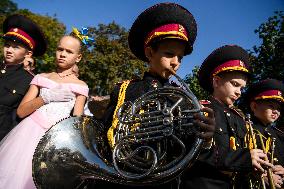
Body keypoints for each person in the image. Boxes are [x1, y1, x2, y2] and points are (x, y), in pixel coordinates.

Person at [91, 2, 215, 189]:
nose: (176, 63)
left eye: (180, 57)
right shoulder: (126, 90)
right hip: (123, 178)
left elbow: (189, 146)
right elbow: (106, 133)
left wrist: (205, 138)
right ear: (150, 52)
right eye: (169, 54)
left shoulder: (182, 100)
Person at [0, 29, 90, 189]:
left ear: (78, 57)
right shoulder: (41, 77)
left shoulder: (81, 86)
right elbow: (21, 111)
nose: (62, 54)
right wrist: (45, 98)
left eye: (69, 51)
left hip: (54, 140)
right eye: (60, 49)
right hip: (26, 134)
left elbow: (76, 123)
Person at [180, 45, 273, 189]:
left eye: (242, 88)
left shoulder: (240, 117)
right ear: (216, 81)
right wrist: (245, 159)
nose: (239, 92)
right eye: (235, 85)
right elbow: (197, 153)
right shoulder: (202, 109)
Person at [0, 14, 47, 140]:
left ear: (29, 53)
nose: (9, 50)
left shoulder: (31, 80)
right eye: (7, 45)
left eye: (16, 47)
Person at [238, 78, 284, 188]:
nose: (276, 111)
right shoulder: (243, 128)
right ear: (254, 106)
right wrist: (262, 176)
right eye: (271, 106)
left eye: (278, 108)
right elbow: (236, 161)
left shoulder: (280, 136)